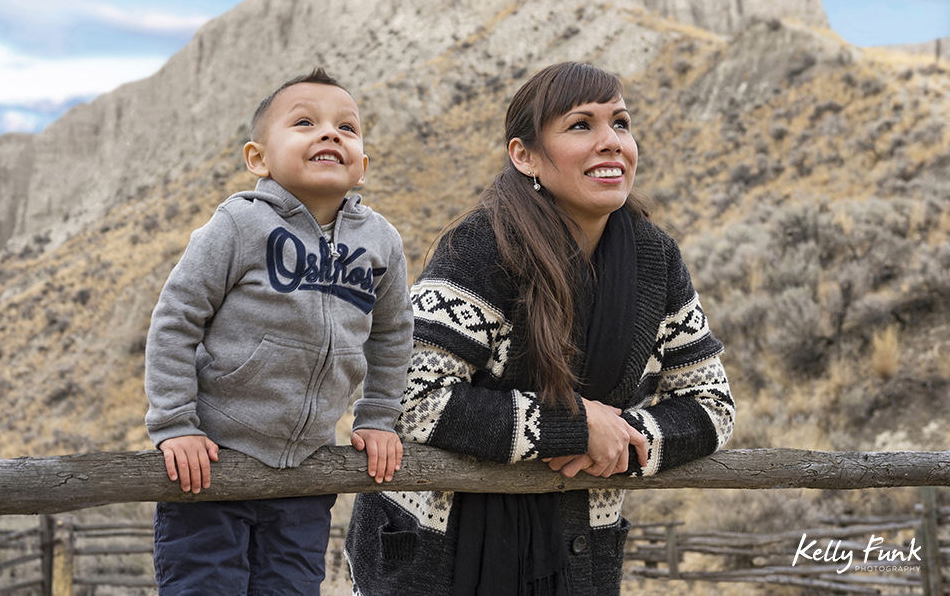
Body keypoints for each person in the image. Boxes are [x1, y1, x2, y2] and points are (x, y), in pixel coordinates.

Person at [345, 62, 735, 596]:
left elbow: (712, 404)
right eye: (581, 126)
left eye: (620, 123)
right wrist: (571, 427)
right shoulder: (481, 248)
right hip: (439, 554)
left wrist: (626, 437)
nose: (611, 142)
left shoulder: (655, 260)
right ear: (524, 155)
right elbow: (411, 398)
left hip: (579, 555)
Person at [145, 67, 414, 596]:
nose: (330, 133)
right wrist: (176, 424)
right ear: (258, 159)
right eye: (305, 122)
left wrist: (380, 418)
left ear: (362, 166)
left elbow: (393, 335)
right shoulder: (239, 225)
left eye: (347, 128)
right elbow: (176, 319)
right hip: (211, 465)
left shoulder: (381, 241)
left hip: (306, 472)